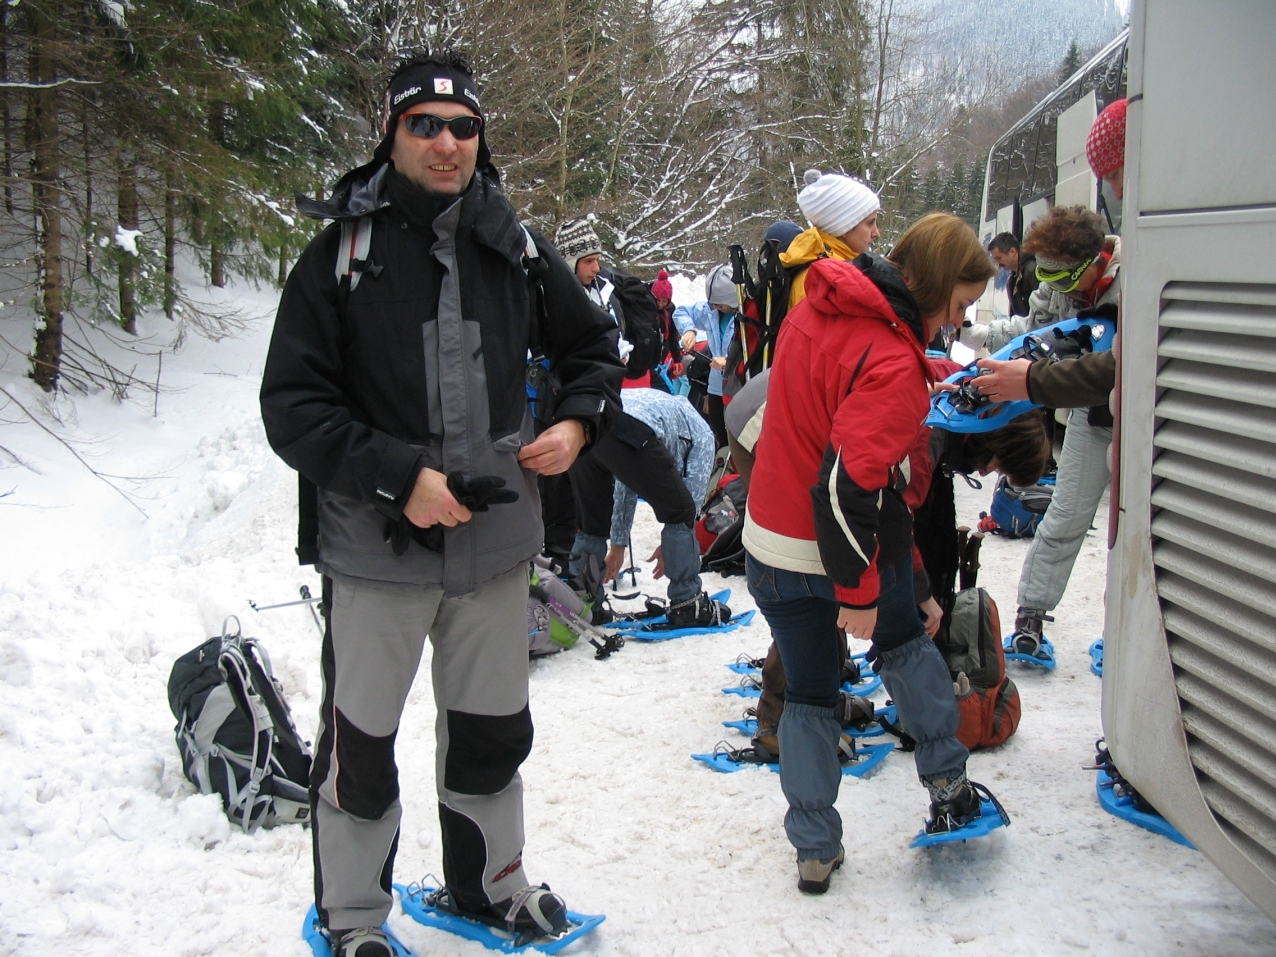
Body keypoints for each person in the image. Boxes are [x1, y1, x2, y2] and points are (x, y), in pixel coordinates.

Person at [259, 50, 624, 957]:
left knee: (493, 736)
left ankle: (488, 885)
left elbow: (596, 352)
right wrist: (398, 477)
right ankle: (353, 921)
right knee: (361, 751)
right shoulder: (339, 255)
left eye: (464, 127)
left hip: (495, 549)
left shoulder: (519, 246)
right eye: (425, 124)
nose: (447, 142)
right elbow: (292, 408)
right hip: (375, 553)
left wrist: (576, 427)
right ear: (391, 132)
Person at [742, 213, 997, 894]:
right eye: (962, 304)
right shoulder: (891, 361)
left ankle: (814, 850)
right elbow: (846, 483)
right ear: (938, 286)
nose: (959, 319)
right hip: (835, 550)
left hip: (770, 543)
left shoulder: (819, 305)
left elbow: (835, 384)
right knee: (907, 647)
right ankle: (949, 787)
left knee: (810, 695)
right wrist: (858, 593)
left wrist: (928, 371)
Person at [971, 208, 1121, 659]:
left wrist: (1038, 380)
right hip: (1093, 419)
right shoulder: (1058, 284)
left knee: (1137, 532)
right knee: (1066, 514)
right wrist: (978, 334)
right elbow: (1032, 332)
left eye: (1061, 278)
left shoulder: (1136, 278)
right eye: (1046, 277)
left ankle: (1127, 627)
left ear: (1093, 263)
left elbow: (1116, 368)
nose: (1053, 288)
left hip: (1142, 421)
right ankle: (1031, 614)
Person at [568, 387, 730, 627]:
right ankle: (688, 603)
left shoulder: (665, 406)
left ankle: (583, 603)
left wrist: (618, 544)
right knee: (681, 511)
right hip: (627, 425)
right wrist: (673, 546)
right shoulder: (704, 435)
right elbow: (690, 502)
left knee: (592, 523)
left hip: (583, 424)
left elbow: (627, 478)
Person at [555, 218, 650, 387]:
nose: (596, 268)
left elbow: (614, 334)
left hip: (604, 387)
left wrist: (622, 353)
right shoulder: (552, 300)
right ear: (569, 263)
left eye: (597, 260)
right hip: (570, 392)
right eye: (588, 261)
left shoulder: (603, 291)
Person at [782, 169, 881, 307]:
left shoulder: (835, 268)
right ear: (845, 226)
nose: (876, 232)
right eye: (870, 223)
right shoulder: (822, 281)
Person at [673, 265, 739, 450]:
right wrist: (689, 330)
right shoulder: (712, 311)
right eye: (713, 303)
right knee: (719, 434)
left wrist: (729, 362)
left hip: (738, 387)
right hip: (716, 387)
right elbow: (682, 312)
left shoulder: (746, 315)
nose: (714, 307)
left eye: (719, 304)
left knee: (738, 437)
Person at [987, 232, 1038, 317]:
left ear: (1013, 252)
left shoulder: (1031, 271)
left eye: (999, 258)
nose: (997, 263)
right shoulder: (1014, 277)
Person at [649, 269, 684, 391]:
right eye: (658, 300)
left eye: (664, 301)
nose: (660, 304)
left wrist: (677, 359)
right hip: (649, 359)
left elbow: (672, 335)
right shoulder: (647, 309)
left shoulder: (670, 310)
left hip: (663, 358)